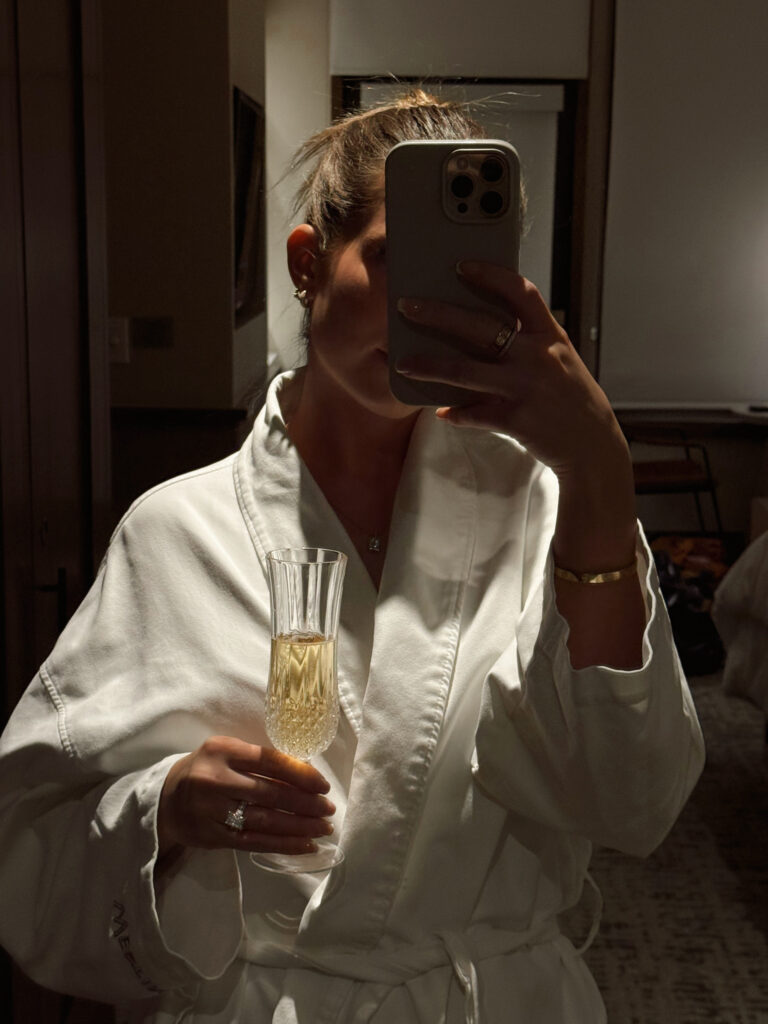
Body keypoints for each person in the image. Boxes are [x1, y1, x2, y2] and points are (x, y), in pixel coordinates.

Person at [0, 91, 704, 1023]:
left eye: (463, 273)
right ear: (308, 263)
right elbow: (28, 847)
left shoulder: (548, 506)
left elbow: (634, 801)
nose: (422, 302)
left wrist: (602, 476)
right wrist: (162, 807)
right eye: (389, 256)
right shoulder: (178, 530)